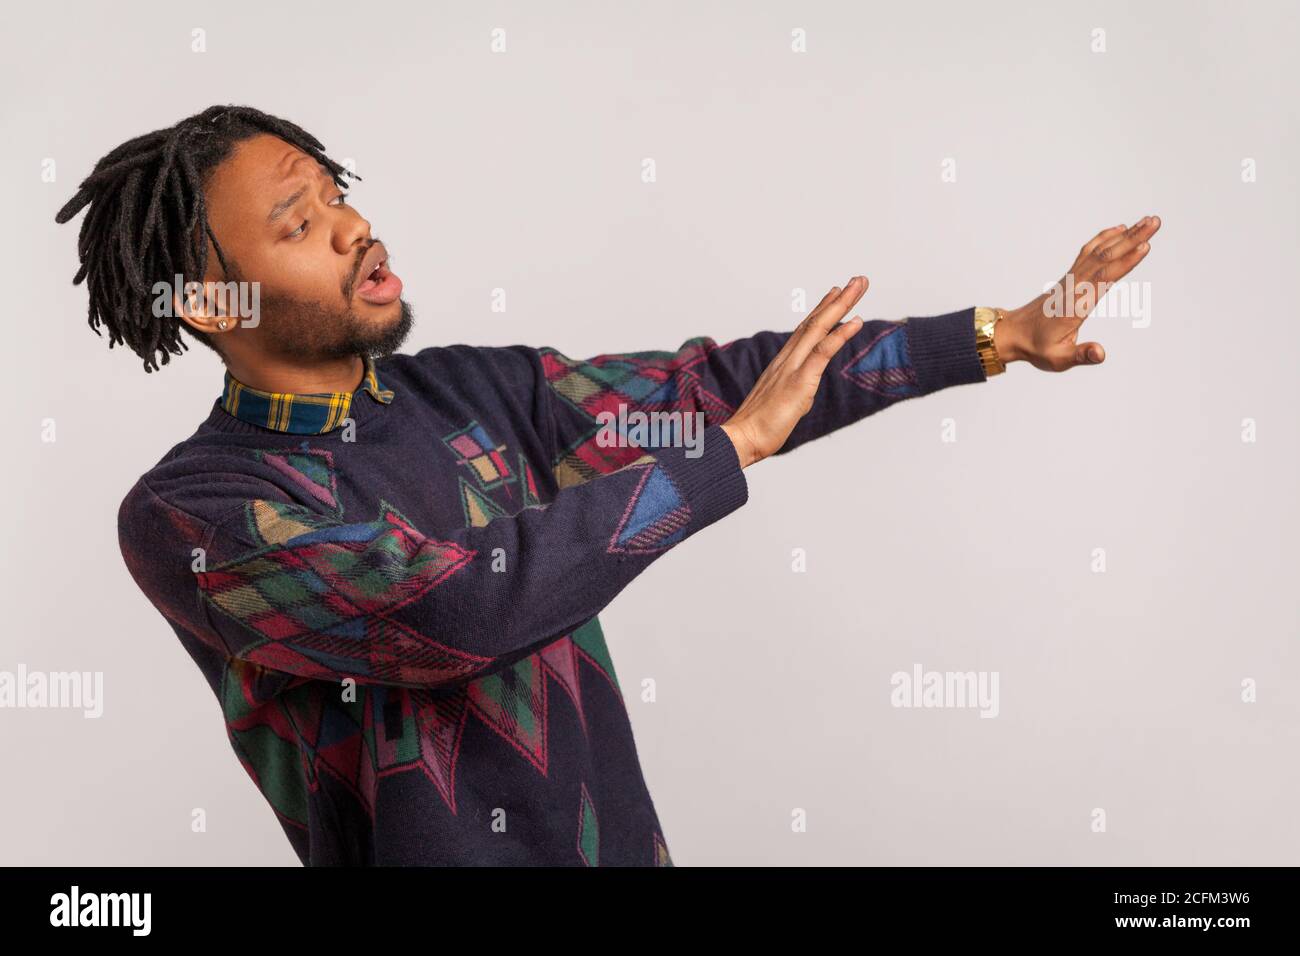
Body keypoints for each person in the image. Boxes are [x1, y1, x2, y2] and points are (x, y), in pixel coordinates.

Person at [57, 105, 1161, 866]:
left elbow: (713, 386)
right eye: (298, 222)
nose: (353, 224)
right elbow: (446, 608)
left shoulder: (475, 392)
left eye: (337, 192)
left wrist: (991, 334)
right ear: (208, 301)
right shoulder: (194, 512)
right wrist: (723, 454)